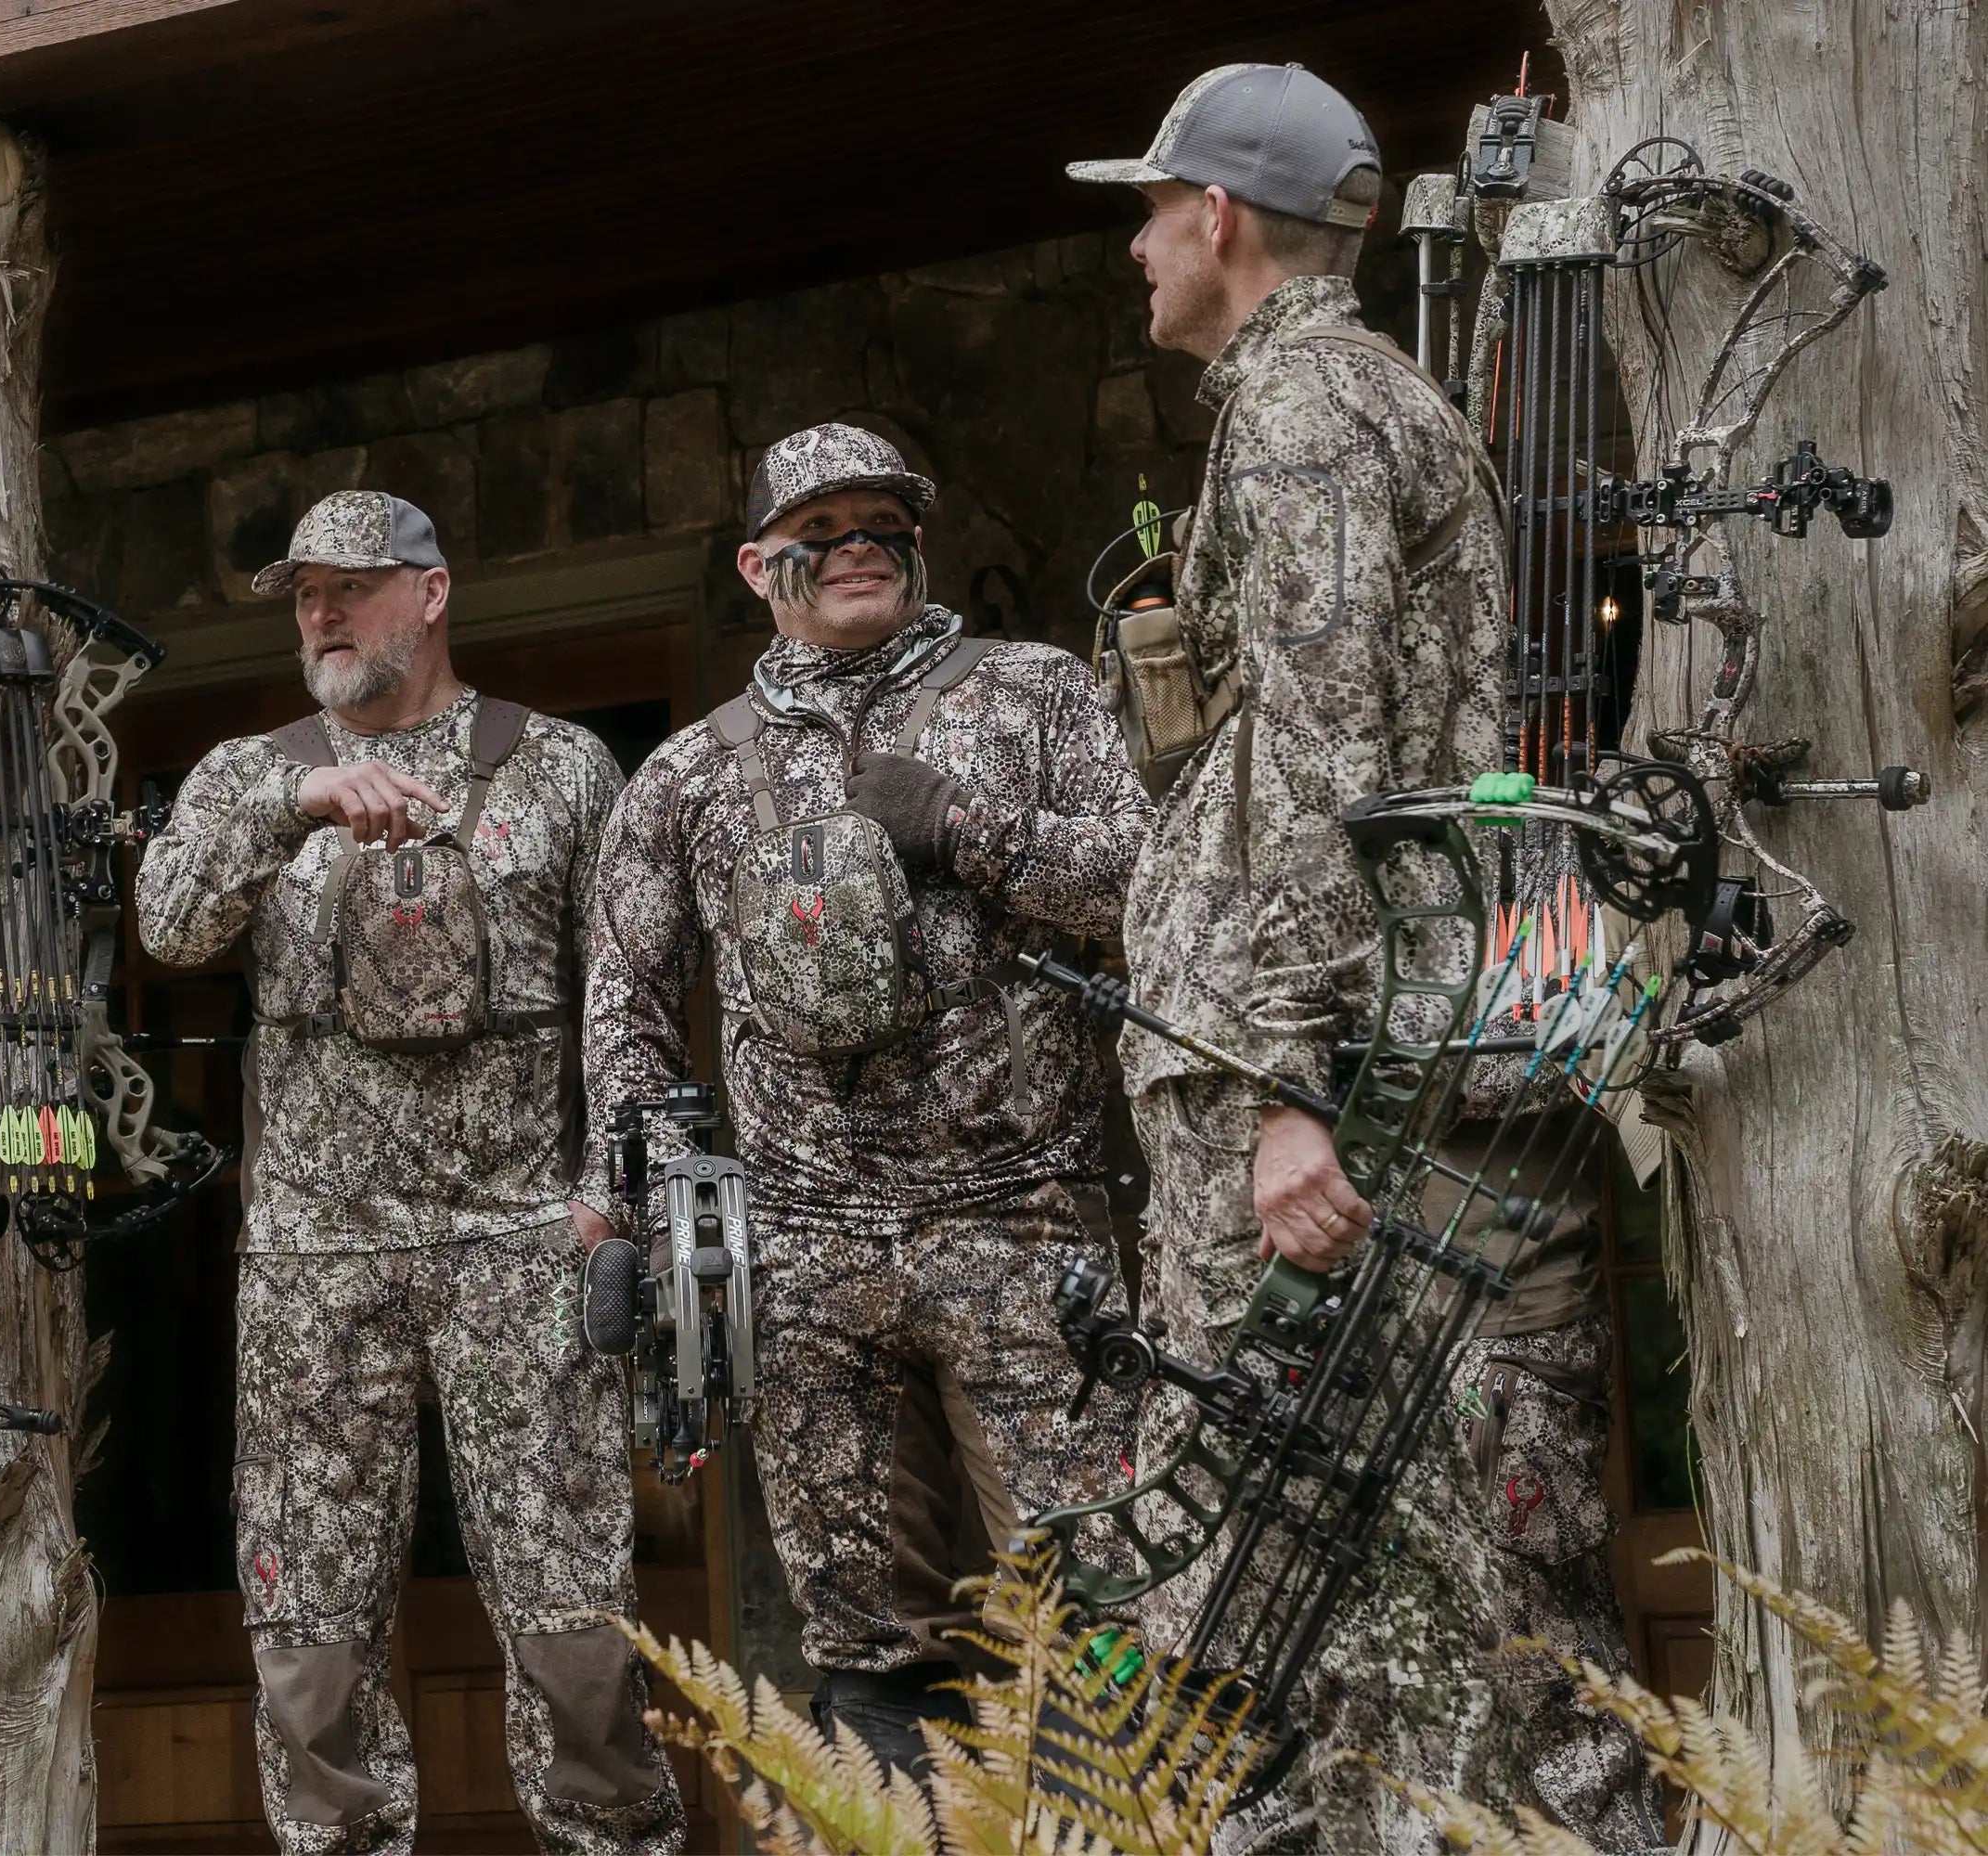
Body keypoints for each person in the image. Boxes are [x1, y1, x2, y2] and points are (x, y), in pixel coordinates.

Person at [1068, 62, 1657, 1851]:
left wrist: (1276, 1092)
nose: (1139, 254)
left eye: (1150, 213)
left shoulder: (1313, 411)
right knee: (1370, 1593)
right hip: (1370, 1064)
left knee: (1364, 1584)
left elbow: (1332, 762)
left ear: (1221, 222)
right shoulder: (1341, 403)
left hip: (1329, 1097)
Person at [579, 423, 1152, 1773]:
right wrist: (632, 1214)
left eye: (880, 527)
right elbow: (630, 1004)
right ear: (757, 564)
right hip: (806, 1251)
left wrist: (963, 825)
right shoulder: (692, 772)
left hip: (1025, 1230)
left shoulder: (1031, 693)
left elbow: (1148, 891)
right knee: (863, 1639)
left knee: (1093, 1610)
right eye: (819, 532)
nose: (855, 553)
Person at [134, 490, 681, 1856]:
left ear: (431, 595)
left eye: (351, 587)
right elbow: (171, 923)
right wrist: (293, 800)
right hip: (319, 1260)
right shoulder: (244, 771)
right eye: (304, 593)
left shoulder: (559, 767)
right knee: (311, 1640)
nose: (320, 613)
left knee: (577, 1639)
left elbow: (632, 1003)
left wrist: (613, 1201)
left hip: (521, 1248)